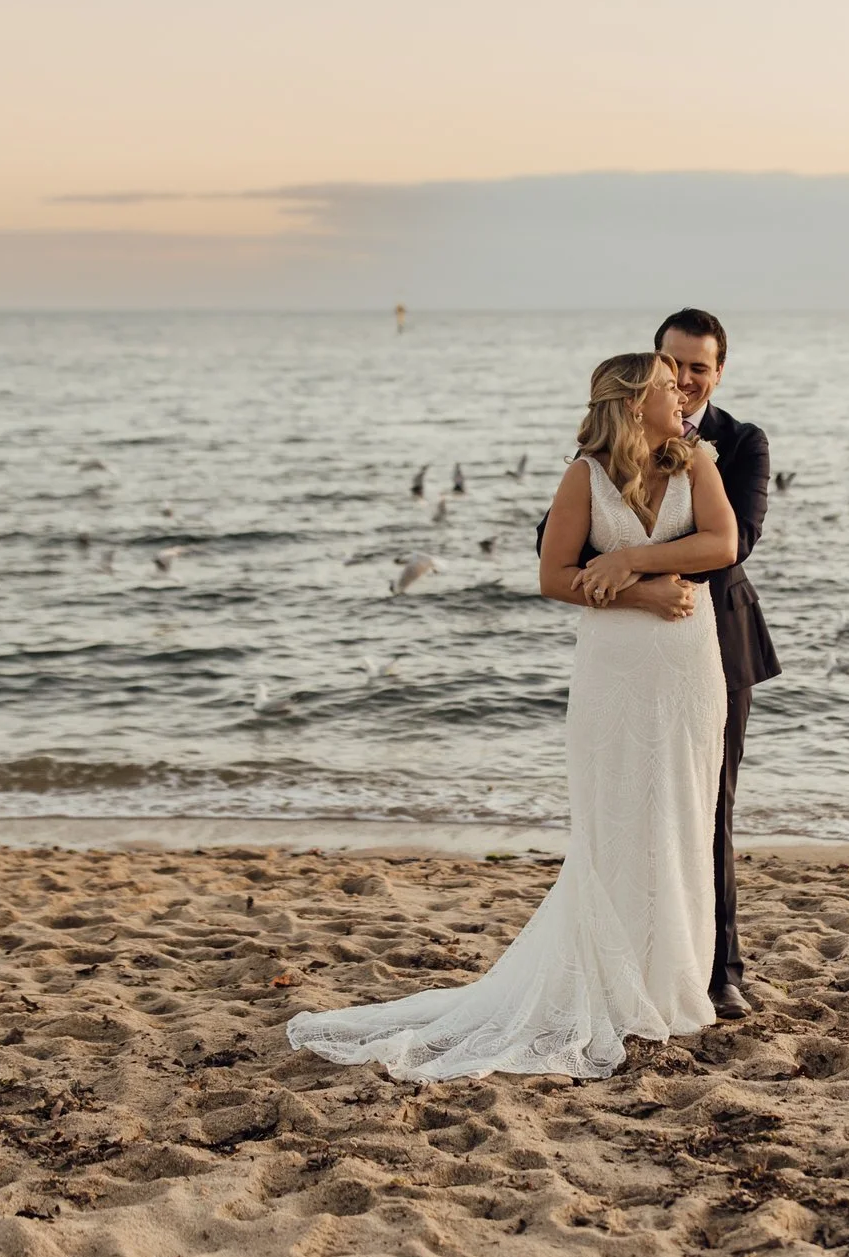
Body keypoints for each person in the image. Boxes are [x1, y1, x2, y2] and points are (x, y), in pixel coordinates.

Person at [285, 351, 736, 1081]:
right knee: (615, 818)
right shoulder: (583, 477)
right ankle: (613, 982)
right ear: (631, 403)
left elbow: (723, 542)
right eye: (663, 385)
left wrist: (634, 559)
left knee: (681, 813)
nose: (679, 391)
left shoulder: (697, 461)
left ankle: (668, 987)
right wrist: (641, 591)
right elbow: (554, 575)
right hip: (615, 665)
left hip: (688, 666)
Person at [648, 308, 780, 1019]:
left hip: (720, 648)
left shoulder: (744, 442)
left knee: (711, 807)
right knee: (643, 805)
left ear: (719, 371)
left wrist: (632, 560)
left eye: (700, 366)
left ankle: (721, 970)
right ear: (655, 361)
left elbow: (738, 541)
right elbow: (559, 534)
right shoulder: (618, 437)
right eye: (675, 363)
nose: (687, 377)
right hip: (639, 647)